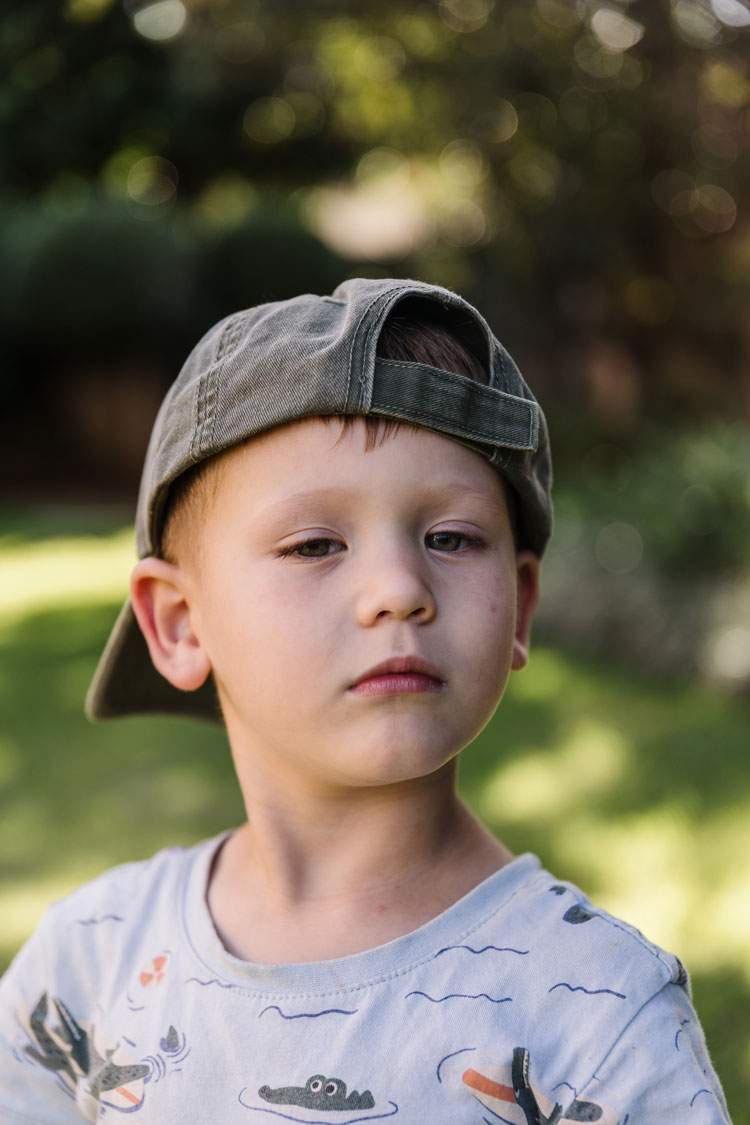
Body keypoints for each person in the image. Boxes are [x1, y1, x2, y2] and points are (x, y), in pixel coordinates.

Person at [0, 278, 729, 1123]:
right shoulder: (86, 968)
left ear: (521, 606)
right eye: (315, 544)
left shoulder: (601, 1019)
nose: (399, 588)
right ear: (180, 622)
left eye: (450, 537)